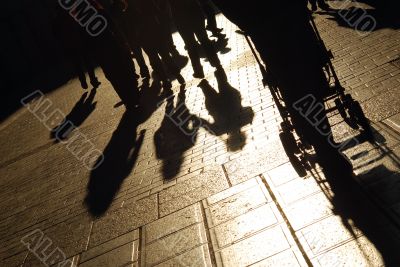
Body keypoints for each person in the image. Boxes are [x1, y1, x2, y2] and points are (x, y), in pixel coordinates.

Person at [211, 0, 352, 173]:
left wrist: (248, 21)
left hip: (271, 26)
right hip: (282, 21)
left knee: (294, 83)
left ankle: (321, 144)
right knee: (305, 80)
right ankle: (325, 148)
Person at [169, 0, 222, 78]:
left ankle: (198, 70)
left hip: (180, 17)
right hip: (194, 11)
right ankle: (215, 62)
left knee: (190, 44)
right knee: (204, 39)